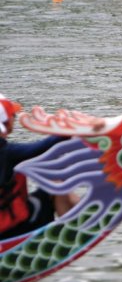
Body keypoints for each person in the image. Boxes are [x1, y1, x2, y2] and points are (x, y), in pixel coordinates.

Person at [0, 95, 78, 239]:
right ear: (6, 122)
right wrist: (71, 129)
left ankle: (81, 215)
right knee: (56, 183)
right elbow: (42, 147)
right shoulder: (5, 152)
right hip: (13, 229)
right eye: (13, 116)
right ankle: (74, 231)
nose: (14, 120)